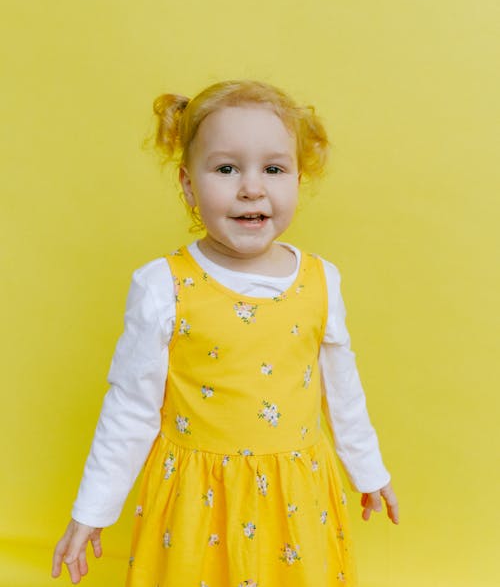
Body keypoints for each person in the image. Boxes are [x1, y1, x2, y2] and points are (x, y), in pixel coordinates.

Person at [52, 80, 399, 586]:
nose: (251, 188)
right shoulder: (162, 285)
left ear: (299, 180)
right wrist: (92, 511)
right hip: (199, 503)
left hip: (293, 499)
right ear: (189, 183)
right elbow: (129, 407)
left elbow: (341, 389)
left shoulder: (322, 280)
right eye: (226, 169)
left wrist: (368, 473)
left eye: (273, 169)